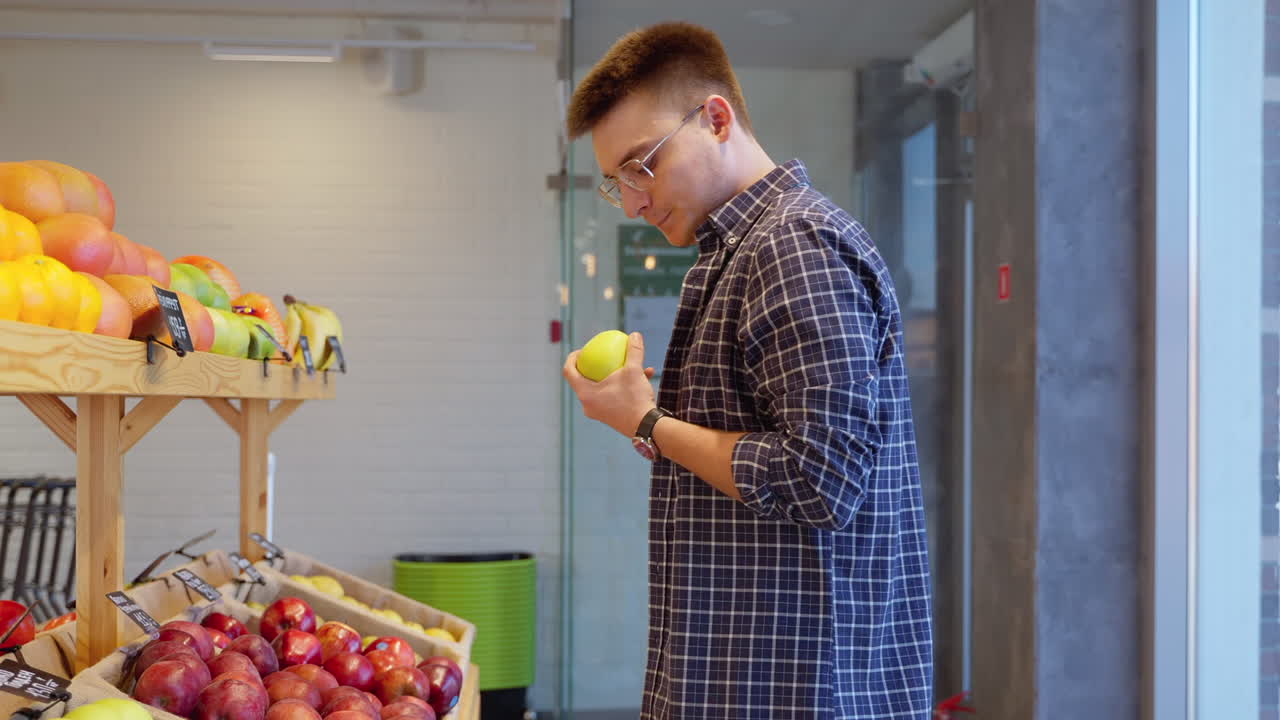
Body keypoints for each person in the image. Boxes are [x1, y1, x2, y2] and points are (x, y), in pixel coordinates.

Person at [561, 21, 933, 719]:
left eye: (643, 164)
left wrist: (647, 419)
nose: (636, 200)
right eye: (618, 183)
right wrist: (648, 420)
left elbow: (819, 480)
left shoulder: (792, 247)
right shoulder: (739, 252)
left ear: (716, 118)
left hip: (800, 690)